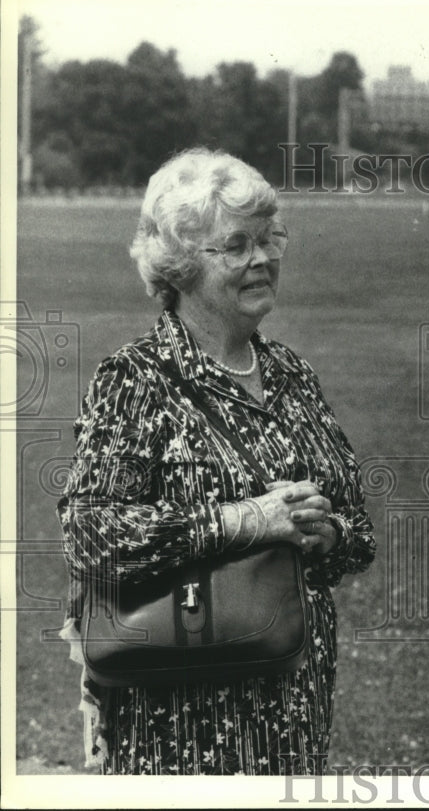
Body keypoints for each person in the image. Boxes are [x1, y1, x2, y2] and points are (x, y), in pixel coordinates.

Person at [57, 148, 376, 775]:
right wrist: (248, 520)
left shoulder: (292, 375)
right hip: (176, 720)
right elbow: (92, 537)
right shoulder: (136, 379)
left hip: (294, 707)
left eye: (269, 239)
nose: (262, 259)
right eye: (236, 246)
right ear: (180, 265)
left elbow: (357, 535)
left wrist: (323, 529)